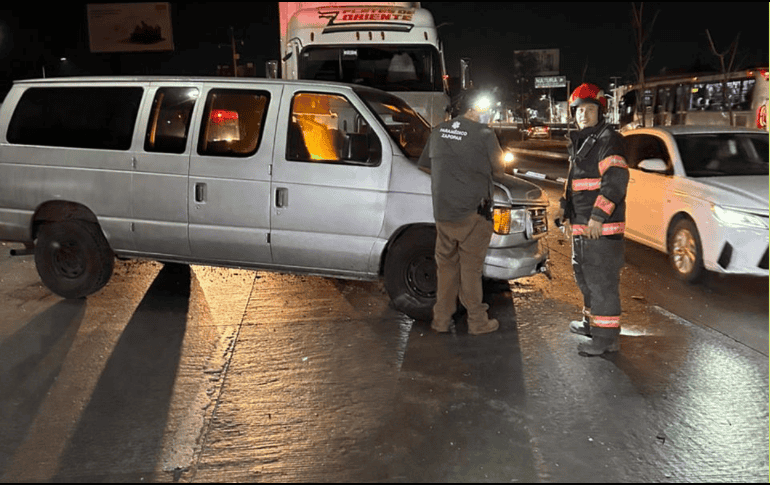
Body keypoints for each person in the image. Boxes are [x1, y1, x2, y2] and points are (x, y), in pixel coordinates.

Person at [417, 91, 505, 335]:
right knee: (470, 270)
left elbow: (425, 165)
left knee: (446, 269)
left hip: (444, 214)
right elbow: (499, 171)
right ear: (474, 109)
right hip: (473, 215)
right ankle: (477, 321)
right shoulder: (484, 134)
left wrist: (451, 178)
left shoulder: (437, 131)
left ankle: (441, 320)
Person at [556, 83, 629, 355]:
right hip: (583, 227)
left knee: (601, 283)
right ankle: (592, 323)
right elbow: (575, 184)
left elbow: (615, 181)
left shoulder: (608, 139)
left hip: (601, 228)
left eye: (589, 109)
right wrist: (564, 210)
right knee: (584, 277)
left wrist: (598, 217)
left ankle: (606, 339)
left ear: (601, 112)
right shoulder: (582, 142)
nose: (583, 114)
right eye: (579, 110)